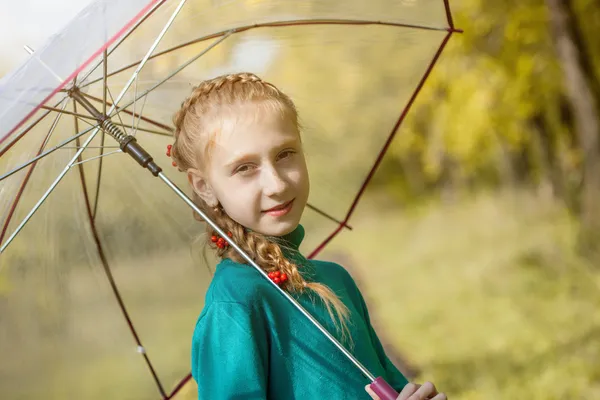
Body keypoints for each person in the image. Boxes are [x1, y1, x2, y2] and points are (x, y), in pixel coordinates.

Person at [169, 72, 446, 400]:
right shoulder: (236, 303)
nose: (277, 184)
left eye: (285, 154)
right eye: (245, 168)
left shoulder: (337, 279)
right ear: (203, 186)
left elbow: (384, 382)